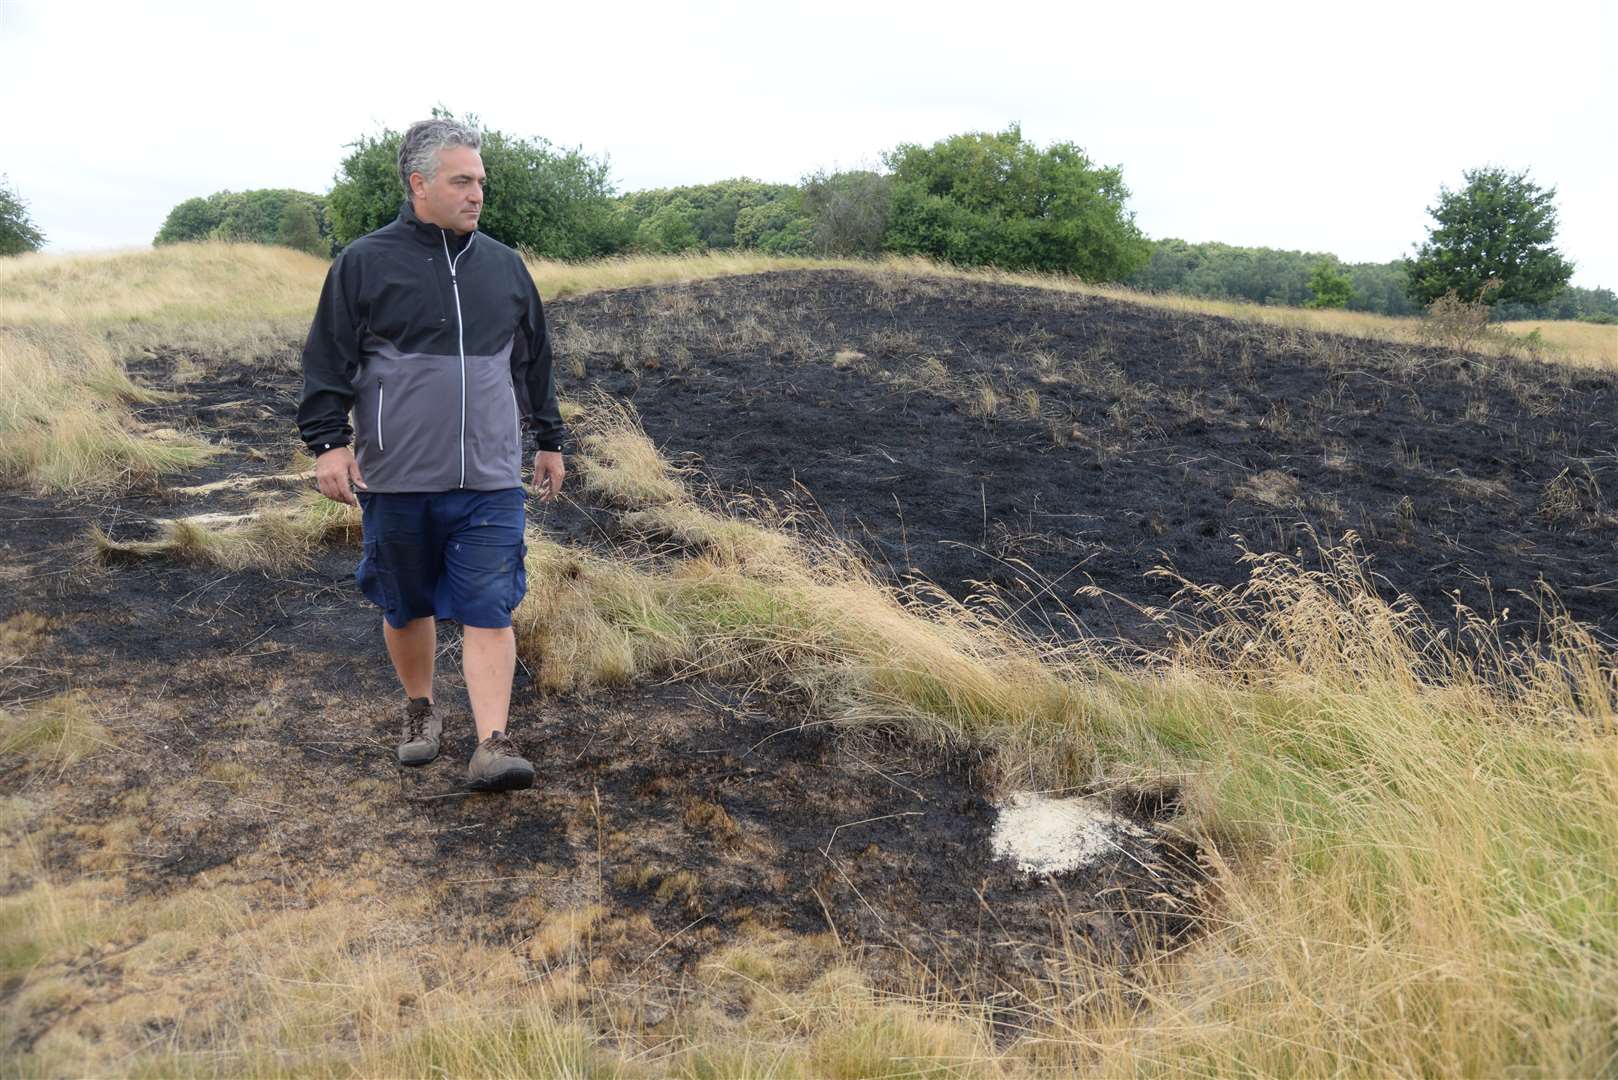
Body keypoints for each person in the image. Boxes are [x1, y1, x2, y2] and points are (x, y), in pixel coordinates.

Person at [297, 118, 566, 792]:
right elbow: (327, 358)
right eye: (462, 181)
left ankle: (493, 742)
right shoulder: (364, 262)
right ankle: (421, 712)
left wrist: (550, 439)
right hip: (398, 475)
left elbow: (533, 360)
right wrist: (329, 442)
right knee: (405, 603)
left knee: (490, 605)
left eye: (481, 181)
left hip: (492, 477)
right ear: (419, 183)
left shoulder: (504, 266)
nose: (478, 194)